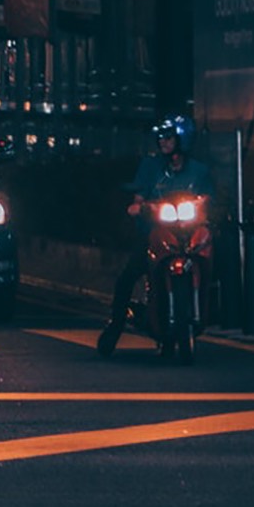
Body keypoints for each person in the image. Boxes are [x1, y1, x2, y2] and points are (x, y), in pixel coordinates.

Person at [100, 114, 217, 353]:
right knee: (127, 278)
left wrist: (202, 205)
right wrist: (142, 207)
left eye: (168, 137)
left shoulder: (199, 171)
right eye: (160, 138)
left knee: (219, 263)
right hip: (157, 234)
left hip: (190, 234)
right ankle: (115, 325)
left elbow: (209, 199)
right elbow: (137, 199)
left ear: (182, 139)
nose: (162, 142)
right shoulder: (150, 167)